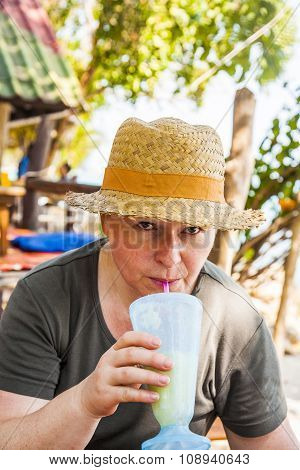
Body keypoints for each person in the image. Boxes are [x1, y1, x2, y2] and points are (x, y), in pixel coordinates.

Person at [0, 117, 298, 450]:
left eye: (192, 230)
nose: (170, 257)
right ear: (109, 224)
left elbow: (277, 457)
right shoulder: (45, 297)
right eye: (145, 225)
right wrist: (84, 404)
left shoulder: (234, 321)